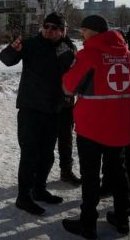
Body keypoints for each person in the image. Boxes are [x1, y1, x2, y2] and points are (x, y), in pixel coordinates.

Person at [61, 15, 130, 239]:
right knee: (118, 172)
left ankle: (88, 224)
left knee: (90, 175)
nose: (82, 35)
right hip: (119, 125)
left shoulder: (88, 55)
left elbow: (68, 87)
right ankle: (122, 219)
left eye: (83, 30)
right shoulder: (128, 56)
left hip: (92, 126)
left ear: (91, 31)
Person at [0, 12, 74, 216]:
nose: (49, 30)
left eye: (54, 28)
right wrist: (11, 49)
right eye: (46, 26)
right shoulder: (30, 44)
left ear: (63, 31)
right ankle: (23, 197)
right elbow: (5, 60)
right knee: (30, 154)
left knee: (47, 155)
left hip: (54, 109)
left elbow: (72, 73)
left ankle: (39, 189)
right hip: (30, 109)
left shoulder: (66, 48)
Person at [100, 66, 130, 211]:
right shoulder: (105, 61)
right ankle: (108, 185)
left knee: (129, 155)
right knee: (109, 151)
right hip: (109, 117)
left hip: (128, 118)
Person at [56, 28, 81, 186]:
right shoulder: (43, 46)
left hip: (66, 101)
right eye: (48, 27)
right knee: (44, 140)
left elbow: (76, 70)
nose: (53, 31)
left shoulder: (70, 46)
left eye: (59, 28)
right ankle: (38, 173)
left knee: (65, 138)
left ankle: (66, 171)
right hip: (46, 101)